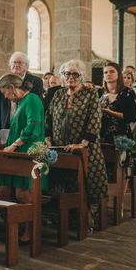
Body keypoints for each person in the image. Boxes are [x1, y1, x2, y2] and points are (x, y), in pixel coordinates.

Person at [45, 59, 107, 229]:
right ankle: (65, 218)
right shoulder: (58, 94)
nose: (70, 77)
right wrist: (48, 137)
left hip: (85, 149)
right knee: (61, 184)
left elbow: (95, 119)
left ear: (81, 75)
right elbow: (48, 118)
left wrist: (83, 143)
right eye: (67, 74)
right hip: (60, 149)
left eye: (75, 74)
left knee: (85, 184)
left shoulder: (90, 94)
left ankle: (86, 218)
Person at [0, 73, 46, 243]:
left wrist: (15, 144)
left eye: (5, 91)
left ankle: (30, 230)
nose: (5, 95)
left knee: (23, 194)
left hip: (27, 151)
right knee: (3, 191)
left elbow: (33, 125)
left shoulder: (32, 99)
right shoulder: (20, 102)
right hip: (14, 151)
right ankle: (16, 226)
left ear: (11, 87)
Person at [0, 52, 44, 128]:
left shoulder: (36, 81)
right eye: (14, 62)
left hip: (26, 123)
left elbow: (36, 105)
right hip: (7, 124)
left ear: (26, 66)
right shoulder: (5, 81)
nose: (16, 65)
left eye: (20, 63)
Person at [99, 61, 136, 143]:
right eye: (105, 72)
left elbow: (132, 116)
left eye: (112, 71)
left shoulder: (128, 92)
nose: (108, 74)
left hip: (121, 136)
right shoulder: (99, 92)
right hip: (101, 136)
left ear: (118, 74)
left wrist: (111, 112)